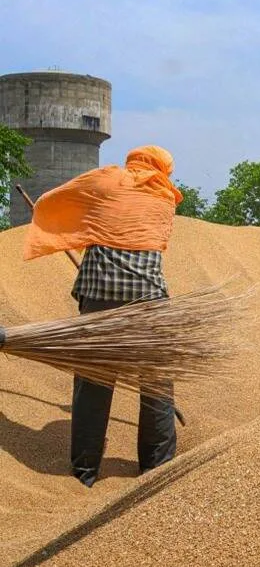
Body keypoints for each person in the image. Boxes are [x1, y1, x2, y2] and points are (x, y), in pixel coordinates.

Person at [23, 146, 184, 488]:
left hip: (99, 296)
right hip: (150, 302)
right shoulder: (166, 197)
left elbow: (59, 197)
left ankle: (84, 473)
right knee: (156, 384)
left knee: (94, 382)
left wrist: (61, 218)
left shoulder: (108, 178)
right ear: (163, 168)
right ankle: (157, 469)